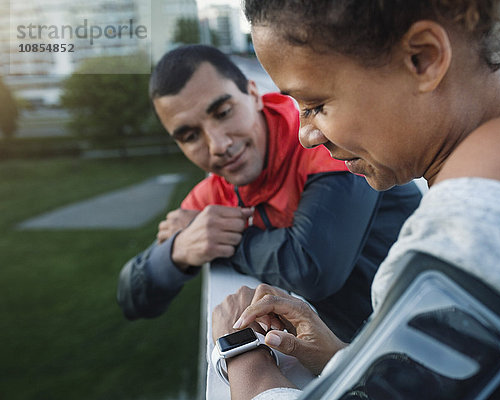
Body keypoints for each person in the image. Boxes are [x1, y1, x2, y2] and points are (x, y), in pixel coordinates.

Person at [211, 0, 500, 399]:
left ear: (423, 58)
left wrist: (244, 357)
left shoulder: (467, 235)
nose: (306, 134)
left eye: (315, 105)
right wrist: (348, 360)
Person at [116, 45, 422, 342]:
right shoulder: (213, 194)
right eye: (190, 136)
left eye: (223, 112)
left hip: (431, 320)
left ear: (253, 94)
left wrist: (222, 240)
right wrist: (179, 250)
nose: (218, 145)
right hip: (358, 349)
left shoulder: (326, 138)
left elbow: (312, 269)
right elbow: (133, 297)